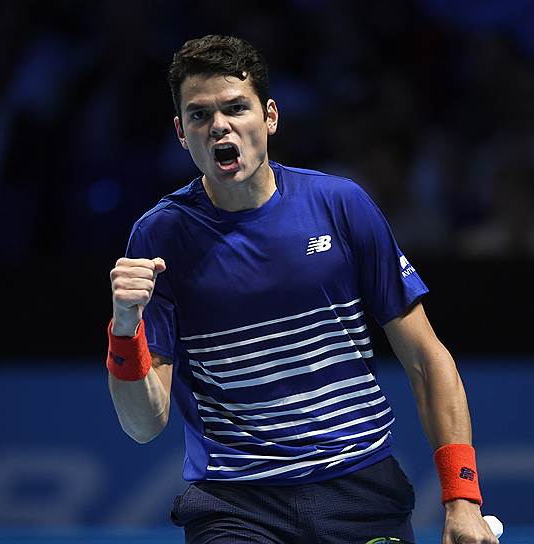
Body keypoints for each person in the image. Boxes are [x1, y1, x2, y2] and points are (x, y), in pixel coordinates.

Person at [106, 34, 498, 544]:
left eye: (236, 108)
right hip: (237, 505)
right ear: (182, 132)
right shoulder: (160, 237)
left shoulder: (340, 205)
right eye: (200, 115)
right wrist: (124, 329)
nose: (219, 125)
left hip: (360, 489)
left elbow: (426, 360)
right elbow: (143, 424)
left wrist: (462, 498)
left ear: (269, 116)